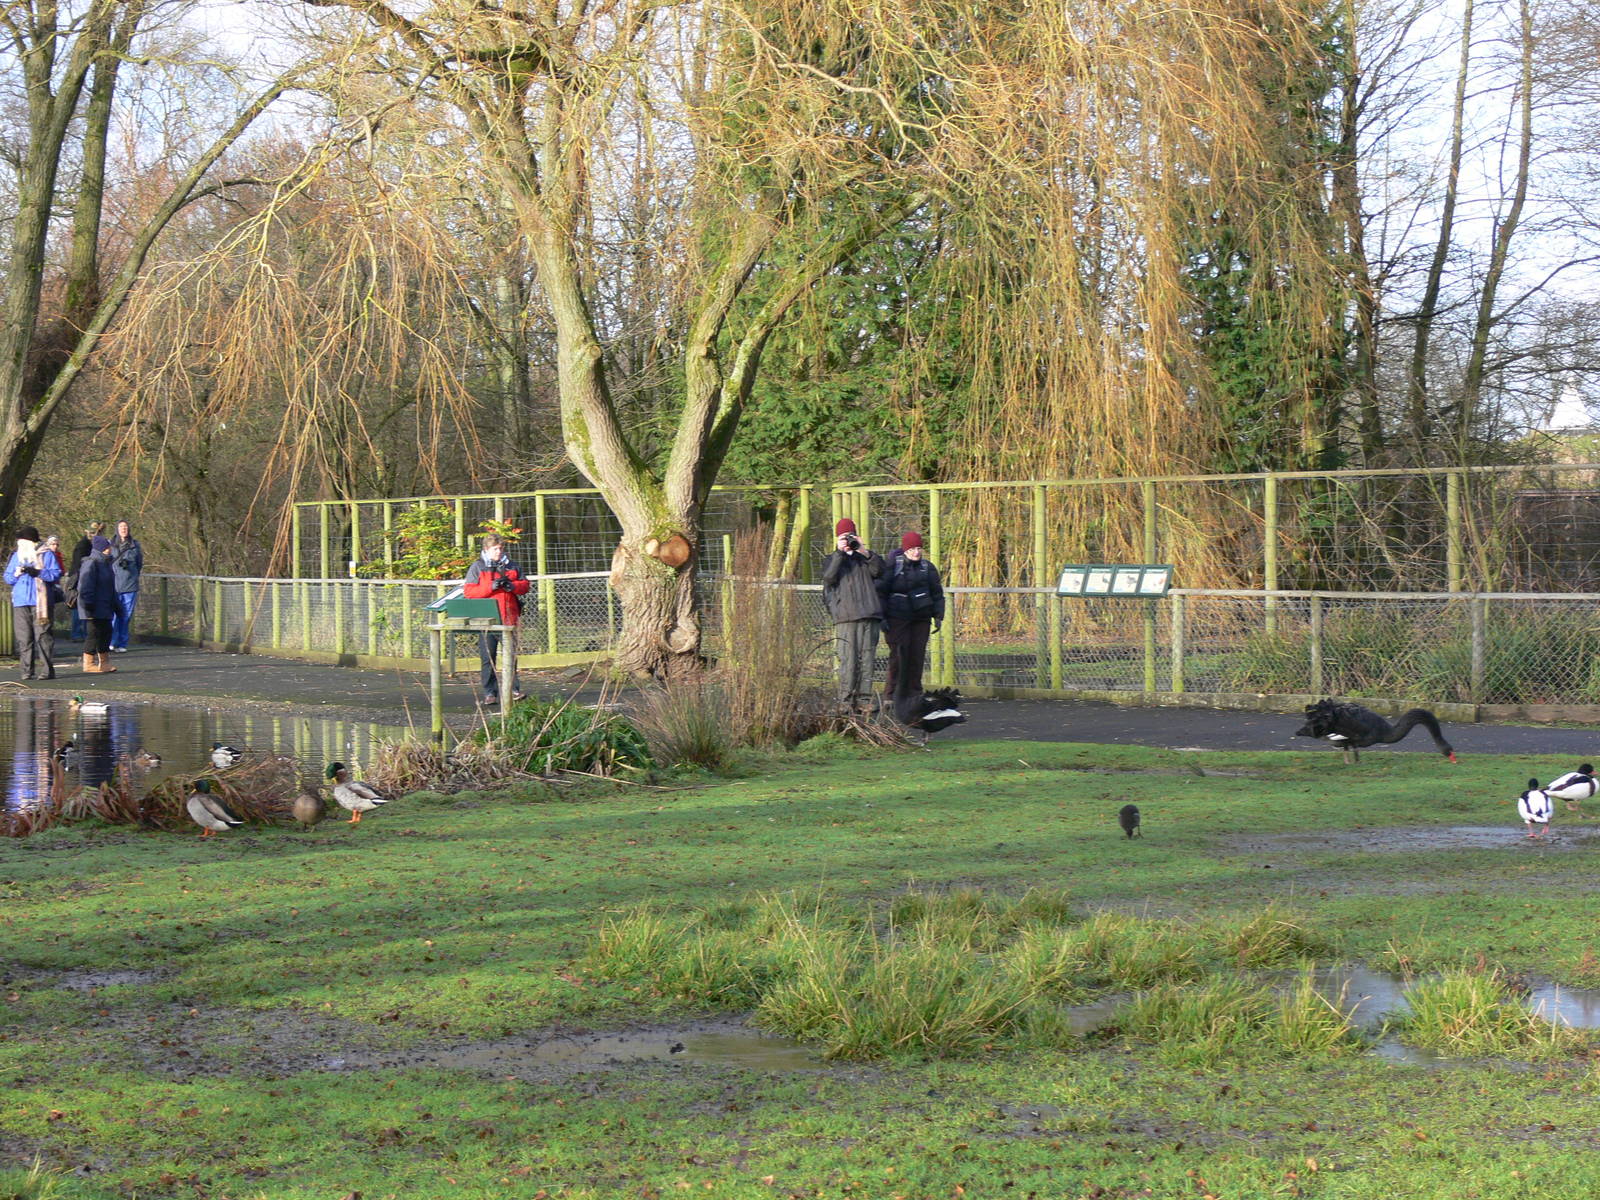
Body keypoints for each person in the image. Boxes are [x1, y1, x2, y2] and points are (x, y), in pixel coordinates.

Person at [821, 517, 884, 712]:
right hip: (846, 617)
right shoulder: (831, 559)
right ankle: (845, 701)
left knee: (867, 659)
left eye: (851, 536)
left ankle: (864, 700)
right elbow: (829, 577)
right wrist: (841, 553)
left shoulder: (865, 558)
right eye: (843, 536)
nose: (848, 540)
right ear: (837, 538)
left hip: (869, 614)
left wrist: (863, 551)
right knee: (848, 660)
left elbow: (880, 571)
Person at [462, 533, 530, 705]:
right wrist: (490, 587)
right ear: (487, 549)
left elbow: (525, 586)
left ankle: (514, 690)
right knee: (488, 658)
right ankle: (490, 693)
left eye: (500, 548)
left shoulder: (512, 566)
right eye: (495, 549)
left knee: (511, 656)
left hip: (509, 618)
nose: (498, 552)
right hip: (486, 619)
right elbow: (469, 592)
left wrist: (512, 586)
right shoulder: (478, 567)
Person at [878, 531, 945, 701]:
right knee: (899, 656)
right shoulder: (893, 566)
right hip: (897, 618)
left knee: (917, 656)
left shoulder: (928, 568)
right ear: (905, 549)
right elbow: (881, 592)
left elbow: (937, 593)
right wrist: (882, 617)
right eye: (912, 548)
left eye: (919, 548)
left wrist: (938, 615)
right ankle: (891, 695)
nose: (916, 552)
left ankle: (914, 694)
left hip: (921, 618)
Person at [5, 524, 61, 680]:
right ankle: (26, 671)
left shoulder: (47, 554)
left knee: (43, 636)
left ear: (30, 542)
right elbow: (7, 577)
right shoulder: (17, 556)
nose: (19, 544)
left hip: (40, 602)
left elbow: (56, 574)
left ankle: (47, 671)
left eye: (22, 541)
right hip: (21, 601)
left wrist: (38, 572)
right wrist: (16, 574)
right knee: (24, 638)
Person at [77, 534, 117, 673]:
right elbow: (86, 585)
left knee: (106, 632)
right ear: (103, 548)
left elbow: (110, 587)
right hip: (94, 606)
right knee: (93, 633)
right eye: (108, 546)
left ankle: (104, 662)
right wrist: (88, 604)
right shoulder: (92, 563)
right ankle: (88, 663)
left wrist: (116, 604)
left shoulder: (106, 563)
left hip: (105, 605)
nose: (110, 549)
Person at [109, 519, 143, 652]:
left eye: (126, 527)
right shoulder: (111, 545)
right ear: (117, 529)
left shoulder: (135, 545)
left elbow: (139, 564)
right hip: (114, 585)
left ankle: (122, 643)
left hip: (130, 585)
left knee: (126, 615)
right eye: (121, 527)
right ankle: (112, 641)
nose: (124, 529)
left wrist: (132, 572)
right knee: (113, 616)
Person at [67, 521, 103, 642]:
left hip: (86, 577)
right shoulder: (83, 545)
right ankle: (77, 633)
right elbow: (78, 564)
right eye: (91, 532)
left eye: (95, 532)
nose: (93, 534)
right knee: (78, 606)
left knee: (83, 606)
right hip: (79, 578)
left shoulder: (92, 544)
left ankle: (82, 633)